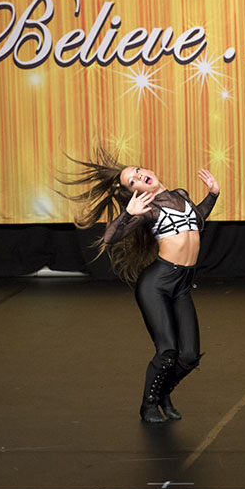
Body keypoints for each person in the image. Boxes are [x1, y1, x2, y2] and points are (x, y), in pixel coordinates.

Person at [64, 148, 220, 422]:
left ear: (148, 170)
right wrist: (127, 214)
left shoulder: (181, 195)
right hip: (156, 286)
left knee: (189, 356)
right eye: (132, 181)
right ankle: (148, 406)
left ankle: (162, 394)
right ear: (134, 192)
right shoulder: (148, 210)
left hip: (182, 285)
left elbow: (197, 219)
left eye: (138, 171)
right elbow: (110, 237)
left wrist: (213, 195)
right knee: (168, 351)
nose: (139, 177)